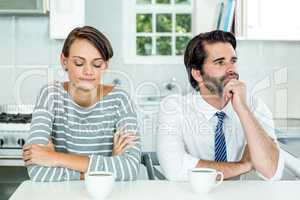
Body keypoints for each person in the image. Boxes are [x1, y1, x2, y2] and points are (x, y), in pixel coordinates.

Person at [157, 30, 284, 181]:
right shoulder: (174, 107)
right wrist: (244, 165)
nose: (231, 69)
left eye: (233, 61)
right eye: (220, 62)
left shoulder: (254, 106)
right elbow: (175, 168)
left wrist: (242, 109)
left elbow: (271, 171)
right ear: (197, 73)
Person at [22, 26, 141, 182]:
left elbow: (129, 169)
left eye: (97, 64)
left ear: (105, 65)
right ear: (64, 61)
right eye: (79, 63)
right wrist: (107, 169)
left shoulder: (120, 100)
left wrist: (54, 157)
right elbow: (38, 171)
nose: (88, 71)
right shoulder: (50, 95)